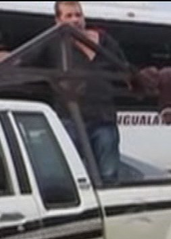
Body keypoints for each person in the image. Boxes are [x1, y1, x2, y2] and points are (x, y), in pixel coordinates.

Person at [20, 2, 129, 186]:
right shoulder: (52, 41)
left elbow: (124, 68)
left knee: (109, 176)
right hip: (69, 119)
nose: (76, 20)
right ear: (58, 20)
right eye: (69, 16)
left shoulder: (104, 40)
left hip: (103, 118)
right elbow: (21, 59)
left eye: (78, 15)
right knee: (64, 177)